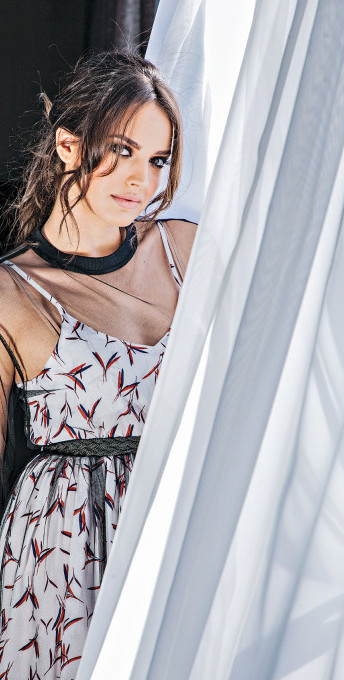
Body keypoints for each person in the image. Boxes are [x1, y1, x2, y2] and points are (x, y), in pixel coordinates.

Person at [0, 51, 195, 678]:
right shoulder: (12, 293)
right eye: (121, 150)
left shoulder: (183, 250)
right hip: (61, 550)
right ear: (69, 145)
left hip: (172, 522)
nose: (140, 178)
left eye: (157, 159)